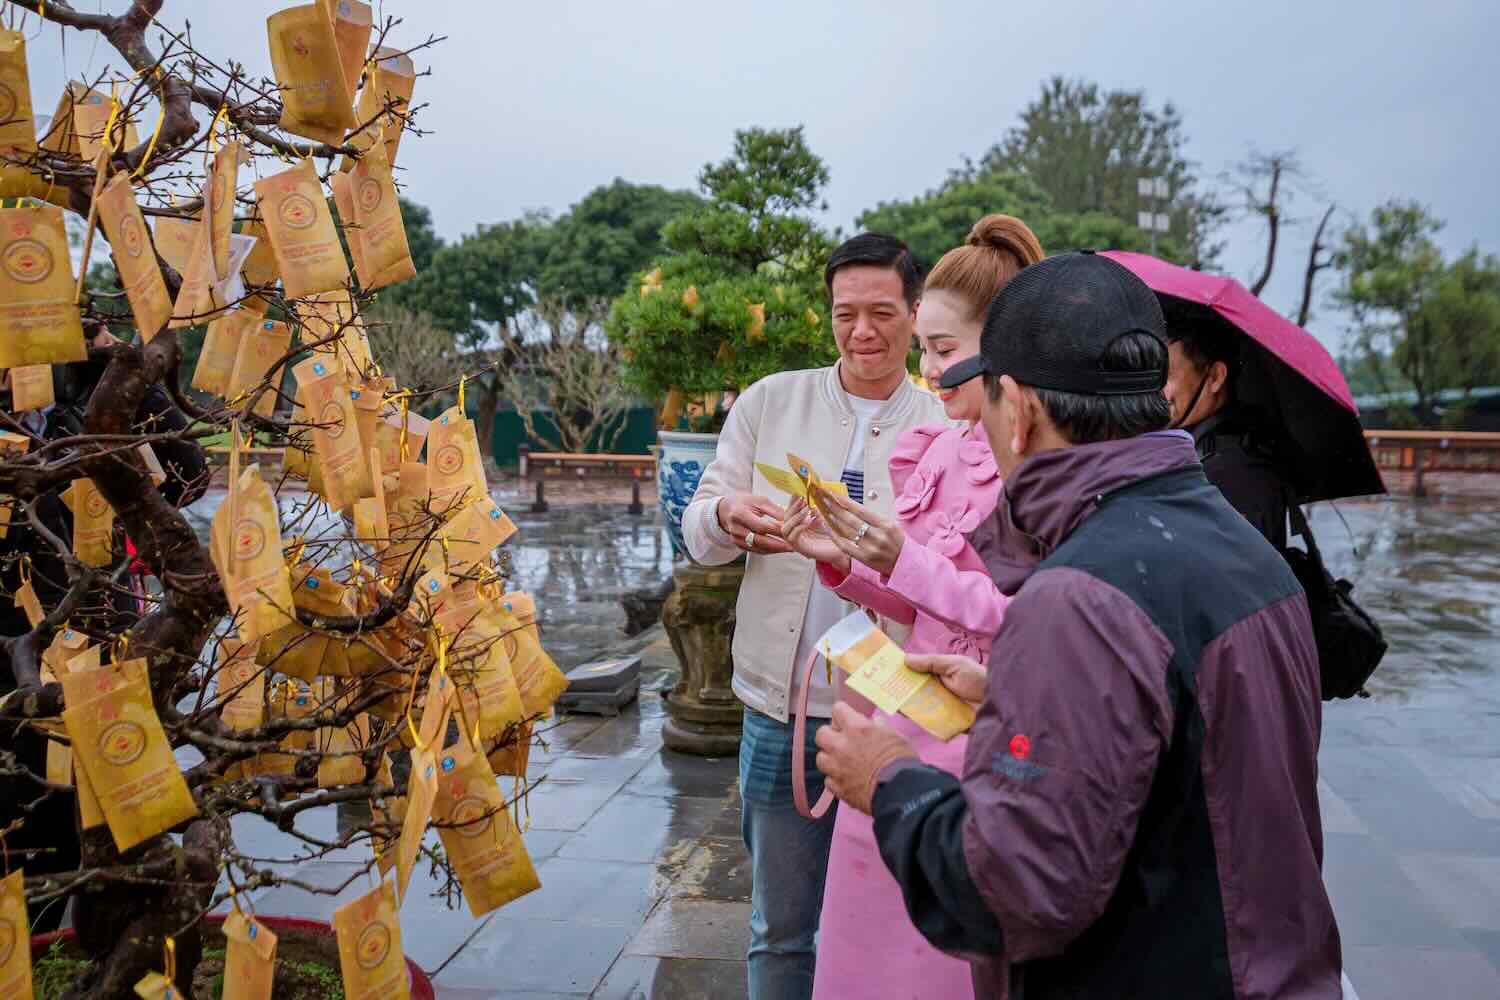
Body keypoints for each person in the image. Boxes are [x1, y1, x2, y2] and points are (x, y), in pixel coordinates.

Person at [813, 252, 1343, 998]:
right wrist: (1010, 694)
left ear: (1020, 408)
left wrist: (889, 780)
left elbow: (1013, 893)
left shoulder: (1079, 594)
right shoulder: (1249, 555)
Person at [780, 215, 1043, 1000]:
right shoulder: (935, 449)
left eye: (943, 351)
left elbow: (1028, 618)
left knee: (946, 951)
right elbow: (911, 598)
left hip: (984, 729)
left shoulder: (1042, 466)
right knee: (862, 941)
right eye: (925, 348)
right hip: (898, 720)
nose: (926, 371)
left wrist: (903, 559)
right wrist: (844, 569)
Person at [682, 233, 947, 1000]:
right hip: (779, 705)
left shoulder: (944, 423)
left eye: (881, 313)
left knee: (901, 919)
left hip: (898, 711)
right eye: (845, 314)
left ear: (915, 313)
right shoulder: (772, 399)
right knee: (779, 925)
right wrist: (729, 513)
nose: (863, 332)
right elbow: (701, 531)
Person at [1163, 316, 1289, 548]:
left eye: (1166, 375)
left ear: (1215, 377)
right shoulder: (1198, 450)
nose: (1155, 390)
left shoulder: (1237, 472)